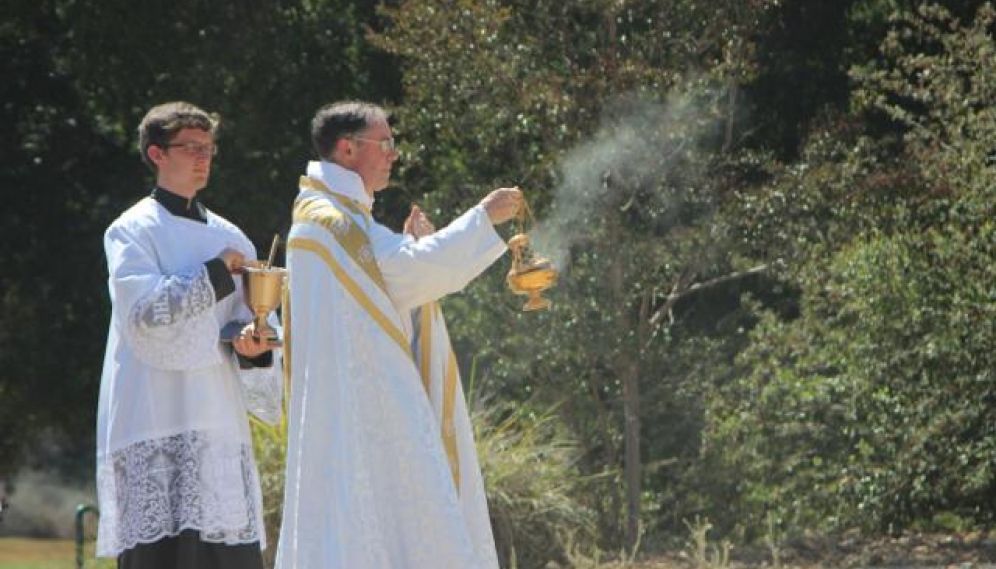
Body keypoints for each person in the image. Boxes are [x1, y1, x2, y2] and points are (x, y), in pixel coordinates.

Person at [276, 101, 522, 569]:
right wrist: (481, 218)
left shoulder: (339, 216)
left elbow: (391, 280)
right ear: (347, 149)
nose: (393, 154)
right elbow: (406, 273)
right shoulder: (332, 222)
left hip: (362, 400)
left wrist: (418, 246)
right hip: (359, 404)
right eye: (384, 143)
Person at [95, 101, 282, 569]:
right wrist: (216, 272)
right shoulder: (131, 230)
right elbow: (144, 314)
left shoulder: (233, 237)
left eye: (210, 148)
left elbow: (254, 323)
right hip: (153, 414)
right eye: (191, 147)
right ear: (157, 154)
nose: (204, 157)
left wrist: (254, 348)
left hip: (216, 418)